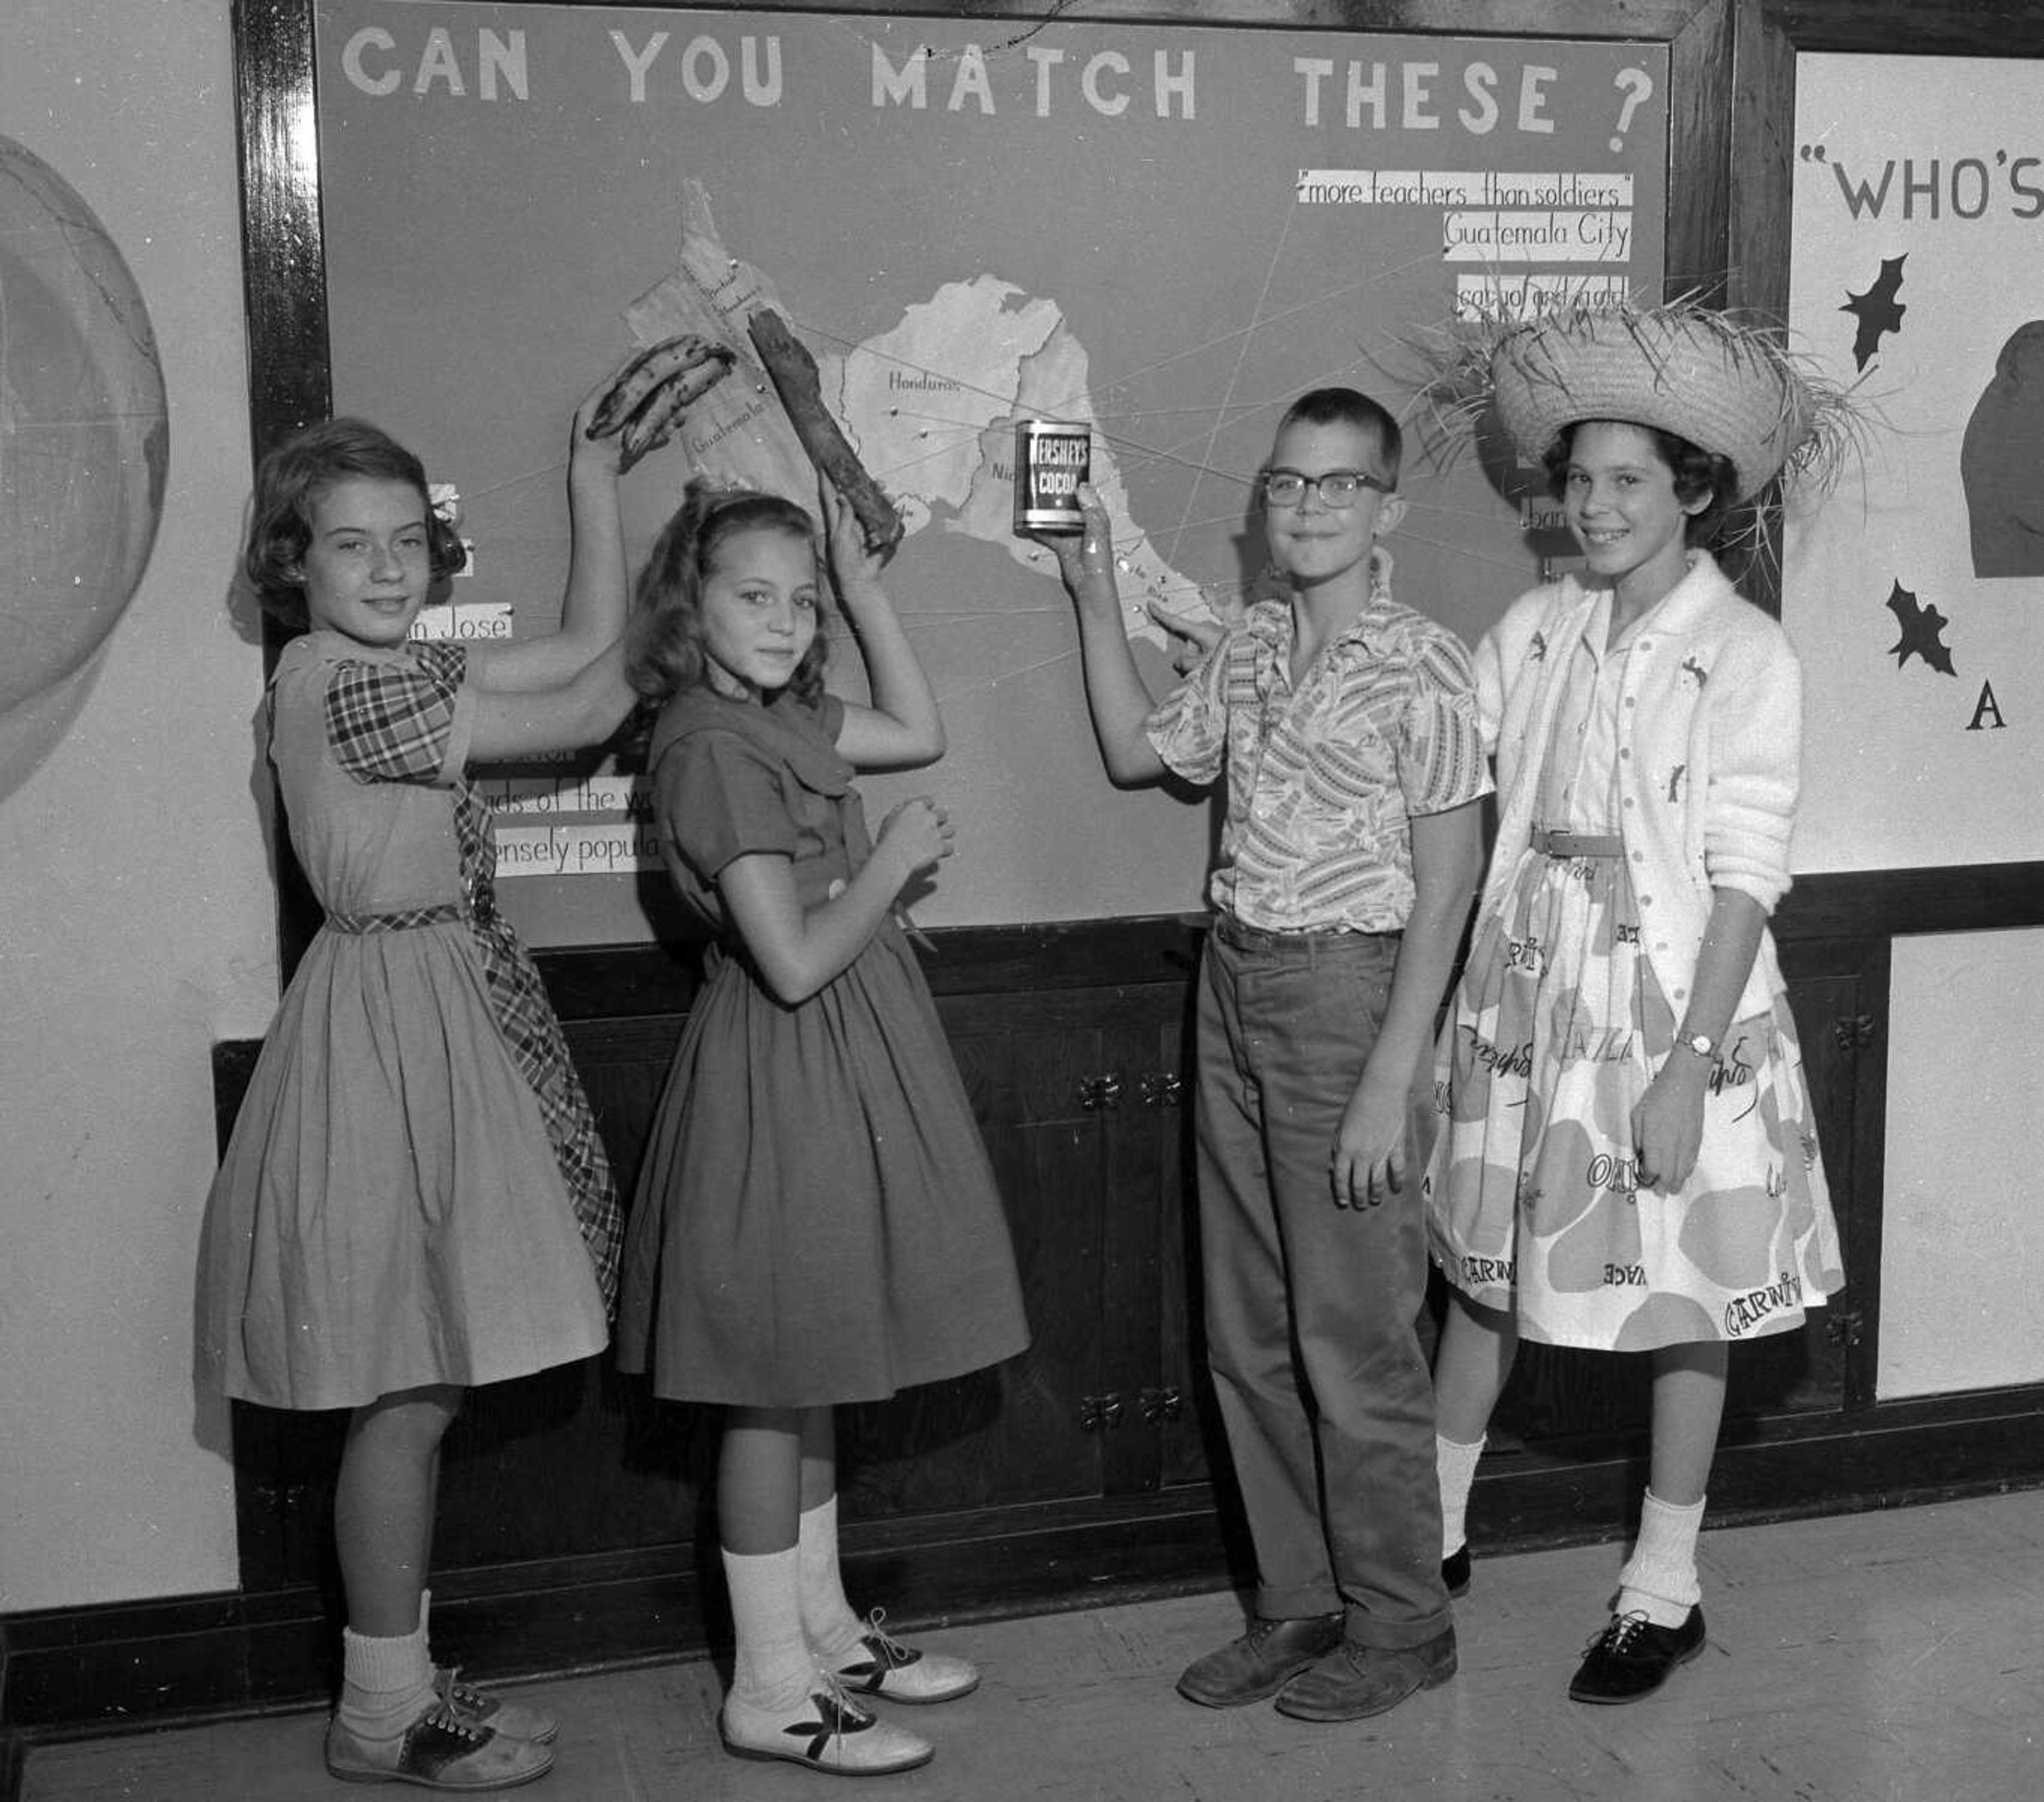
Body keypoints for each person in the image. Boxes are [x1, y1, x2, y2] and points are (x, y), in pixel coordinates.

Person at [199, 368, 654, 1791]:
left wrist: (593, 478)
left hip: (434, 1012)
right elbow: (595, 695)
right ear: (294, 561)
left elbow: (584, 646)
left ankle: (398, 1683)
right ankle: (380, 1713)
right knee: (404, 1385)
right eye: (352, 542)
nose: (390, 566)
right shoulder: (340, 682)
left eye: (410, 541)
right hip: (388, 1034)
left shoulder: (378, 670)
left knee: (425, 1380)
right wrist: (694, 587)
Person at [1419, 300, 1850, 1704]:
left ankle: (1663, 1587)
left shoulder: (1747, 655)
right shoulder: (1538, 628)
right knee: (1484, 1273)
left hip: (1673, 1003)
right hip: (1529, 988)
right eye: (1580, 479)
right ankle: (1424, 1533)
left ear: (1695, 493)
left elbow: (1741, 881)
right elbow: (1446, 745)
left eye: (1628, 482)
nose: (1595, 505)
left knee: (1683, 1298)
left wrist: (1684, 1067)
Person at [1040, 389, 1490, 1723]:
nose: (1306, 508)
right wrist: (1087, 586)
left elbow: (1451, 881)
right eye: (1287, 485)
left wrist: (1390, 1075)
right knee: (1248, 1330)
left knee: (1353, 1333)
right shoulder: (1243, 649)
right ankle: (1300, 1604)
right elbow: (1140, 752)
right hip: (1233, 981)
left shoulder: (1426, 662)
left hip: (1350, 994)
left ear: (1386, 510)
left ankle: (1405, 1621)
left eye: (1337, 487)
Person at [614, 477, 1030, 1777]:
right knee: (772, 1387)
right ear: (692, 605)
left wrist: (862, 588)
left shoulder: (780, 716)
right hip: (783, 1065)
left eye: (801, 600)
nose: (784, 620)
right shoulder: (709, 745)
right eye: (755, 595)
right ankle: (770, 1689)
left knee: (818, 1366)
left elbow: (919, 721)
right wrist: (894, 863)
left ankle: (827, 1633)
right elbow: (791, 961)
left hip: (839, 1058)